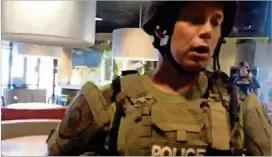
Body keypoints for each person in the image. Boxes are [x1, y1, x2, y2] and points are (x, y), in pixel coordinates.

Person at [46, 1, 272, 156]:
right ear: (161, 31)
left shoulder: (239, 106)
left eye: (216, 22)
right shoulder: (109, 102)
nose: (208, 31)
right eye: (194, 19)